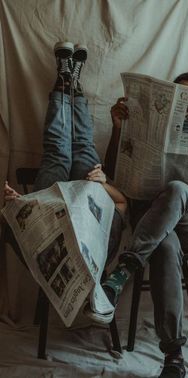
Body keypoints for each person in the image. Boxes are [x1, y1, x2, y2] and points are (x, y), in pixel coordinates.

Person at [94, 72, 188, 378]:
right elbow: (114, 172)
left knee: (177, 189)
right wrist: (119, 128)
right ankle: (174, 355)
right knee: (165, 245)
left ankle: (124, 269)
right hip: (156, 226)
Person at [4, 41, 127, 319]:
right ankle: (73, 81)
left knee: (58, 150)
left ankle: (65, 77)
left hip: (51, 195)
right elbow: (121, 203)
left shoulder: (43, 263)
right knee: (82, 145)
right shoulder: (104, 254)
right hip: (89, 186)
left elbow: (12, 228)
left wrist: (12, 203)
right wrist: (103, 181)